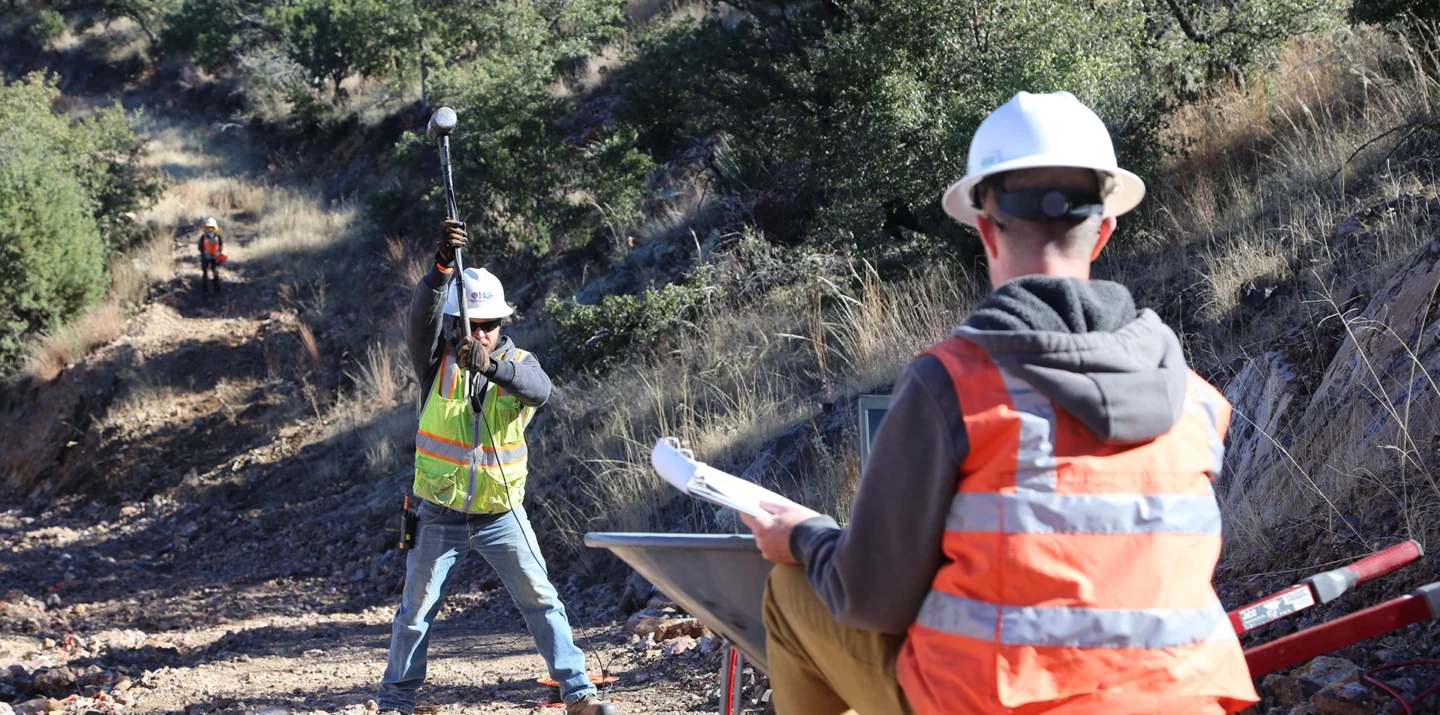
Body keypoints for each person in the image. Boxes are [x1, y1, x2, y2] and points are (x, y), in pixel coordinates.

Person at [741, 91, 1260, 715]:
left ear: (984, 228)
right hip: (1185, 701)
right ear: (1104, 232)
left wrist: (804, 538)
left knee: (792, 593)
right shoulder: (1196, 401)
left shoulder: (953, 385)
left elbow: (871, 597)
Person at [376, 220, 618, 715]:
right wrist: (440, 267)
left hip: (501, 513)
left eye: (490, 324)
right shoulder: (435, 361)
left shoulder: (521, 363)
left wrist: (490, 366)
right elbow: (418, 317)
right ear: (456, 323)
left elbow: (541, 390)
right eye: (472, 324)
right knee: (415, 614)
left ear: (503, 323)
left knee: (541, 599)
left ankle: (578, 694)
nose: (481, 332)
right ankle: (394, 702)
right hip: (438, 513)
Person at [198, 217, 223, 293]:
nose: (211, 229)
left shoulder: (218, 236)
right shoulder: (202, 237)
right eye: (209, 227)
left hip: (214, 257)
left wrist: (218, 253)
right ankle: (205, 291)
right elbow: (200, 247)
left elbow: (220, 246)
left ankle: (217, 290)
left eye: (212, 227)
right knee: (205, 274)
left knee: (215, 273)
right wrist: (204, 254)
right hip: (205, 257)